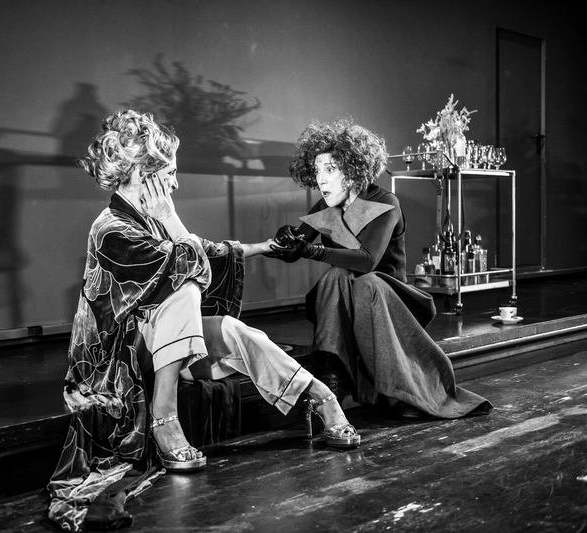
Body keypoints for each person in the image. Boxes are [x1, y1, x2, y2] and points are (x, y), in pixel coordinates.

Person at [48, 110, 359, 532]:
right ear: (144, 174)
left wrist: (264, 246)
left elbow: (206, 250)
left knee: (233, 330)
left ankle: (319, 396)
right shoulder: (111, 229)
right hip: (119, 364)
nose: (175, 184)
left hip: (162, 348)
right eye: (170, 174)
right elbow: (189, 263)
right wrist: (172, 219)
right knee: (186, 290)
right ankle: (163, 416)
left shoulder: (148, 220)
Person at [267, 119, 492, 419]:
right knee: (337, 275)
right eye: (317, 170)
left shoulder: (386, 202)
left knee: (363, 281)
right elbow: (293, 250)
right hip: (346, 298)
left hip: (391, 300)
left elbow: (367, 260)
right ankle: (331, 378)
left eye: (330, 169)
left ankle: (355, 385)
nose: (321, 179)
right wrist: (287, 240)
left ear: (353, 169)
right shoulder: (325, 206)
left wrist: (310, 249)